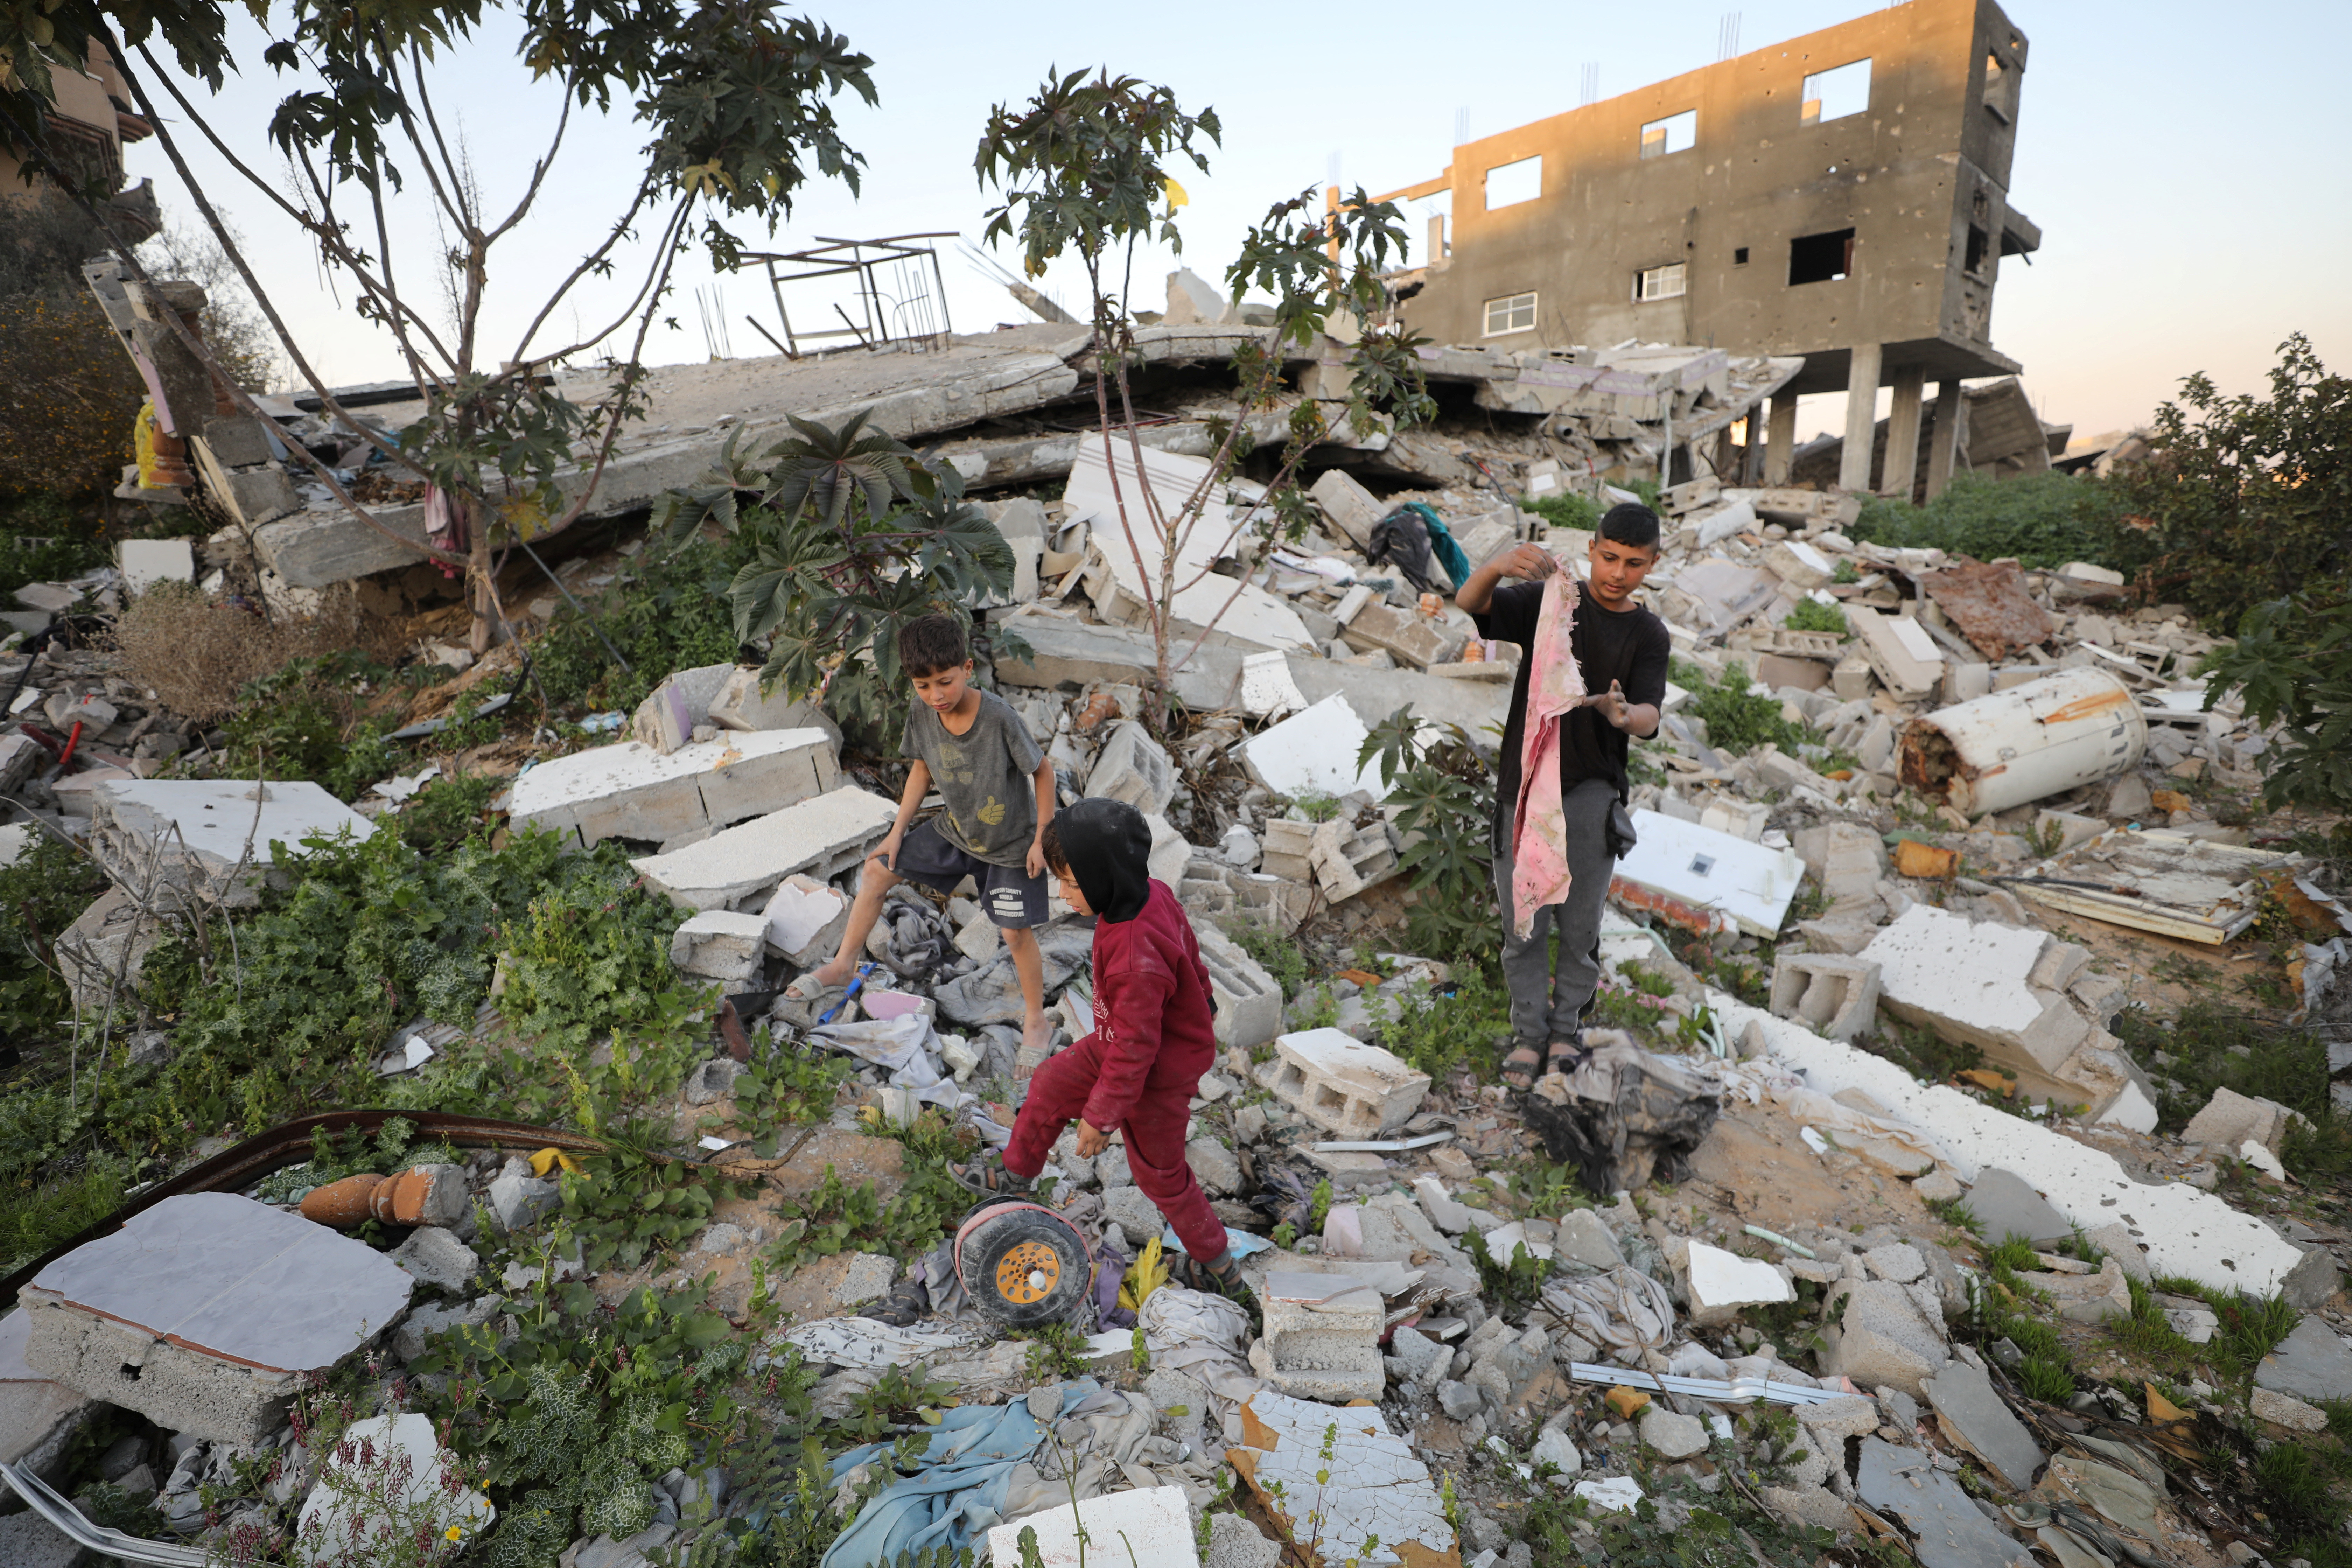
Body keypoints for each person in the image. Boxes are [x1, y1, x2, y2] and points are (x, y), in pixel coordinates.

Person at [947, 797, 1244, 1298]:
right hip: (1122, 1048)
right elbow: (1189, 959)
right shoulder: (1149, 893)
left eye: (1071, 884)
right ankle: (1016, 1174)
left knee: (1161, 1176)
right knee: (1051, 1083)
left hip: (1156, 1073)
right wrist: (1204, 1002)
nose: (1063, 896)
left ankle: (1221, 1269)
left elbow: (1136, 1049)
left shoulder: (1134, 956)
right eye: (1062, 882)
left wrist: (1101, 1118)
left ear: (1107, 875)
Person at [1455, 502, 1669, 1090]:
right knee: (1524, 923)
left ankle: (1565, 1031)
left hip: (1592, 799)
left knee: (1580, 931)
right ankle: (1528, 1033)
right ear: (1592, 546)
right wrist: (1498, 565)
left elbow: (1650, 716)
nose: (1617, 573)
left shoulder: (1647, 632)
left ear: (1653, 564)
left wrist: (1625, 715)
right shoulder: (1553, 601)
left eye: (1633, 563)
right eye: (1608, 557)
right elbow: (1470, 605)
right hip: (1522, 791)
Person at [786, 614, 1058, 1064]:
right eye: (923, 685)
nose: (936, 696)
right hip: (956, 833)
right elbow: (923, 768)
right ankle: (842, 965)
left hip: (1010, 845)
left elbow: (1043, 771)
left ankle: (1036, 1020)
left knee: (1014, 931)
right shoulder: (923, 712)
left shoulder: (999, 718)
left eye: (945, 683)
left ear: (968, 669)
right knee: (876, 870)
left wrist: (1041, 840)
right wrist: (897, 833)